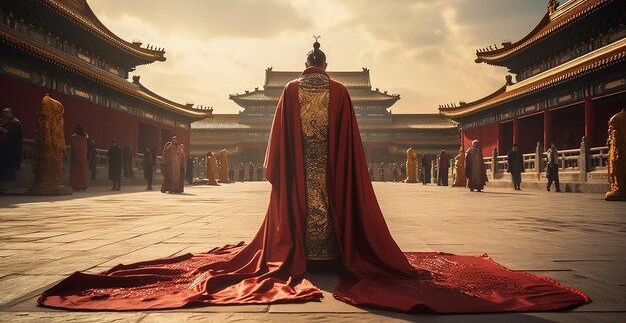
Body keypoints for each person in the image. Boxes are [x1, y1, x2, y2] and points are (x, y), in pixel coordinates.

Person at [39, 39, 588, 313]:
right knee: (336, 207)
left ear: (306, 66)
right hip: (332, 174)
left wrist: (278, 171)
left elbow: (277, 143)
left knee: (294, 212)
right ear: (328, 66)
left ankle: (298, 250)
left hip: (301, 175)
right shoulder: (345, 94)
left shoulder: (290, 92)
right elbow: (351, 143)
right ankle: (339, 252)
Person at [0, 108, 23, 191]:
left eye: (6, 112)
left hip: (9, 149)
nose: (4, 113)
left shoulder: (15, 123)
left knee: (7, 168)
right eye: (3, 112)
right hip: (2, 148)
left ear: (11, 113)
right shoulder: (2, 121)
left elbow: (14, 136)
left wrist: (4, 130)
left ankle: (5, 187)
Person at [69, 125, 89, 191]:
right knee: (83, 172)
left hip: (75, 156)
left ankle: (76, 185)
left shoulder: (74, 137)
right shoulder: (85, 138)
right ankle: (84, 185)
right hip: (83, 158)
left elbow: (72, 146)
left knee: (76, 172)